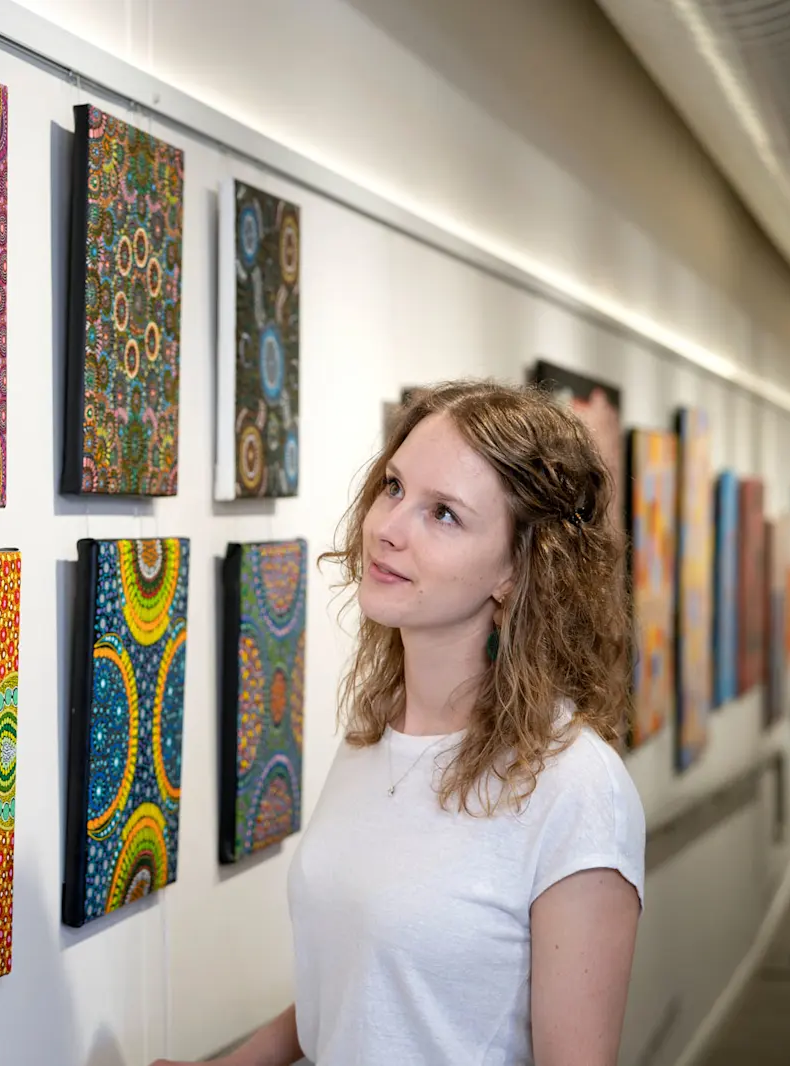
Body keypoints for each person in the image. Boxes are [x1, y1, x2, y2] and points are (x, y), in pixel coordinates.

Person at [156, 380, 645, 1066]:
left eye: (443, 513)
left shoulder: (576, 789)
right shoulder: (374, 733)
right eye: (394, 487)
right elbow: (367, 983)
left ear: (517, 569)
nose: (387, 526)